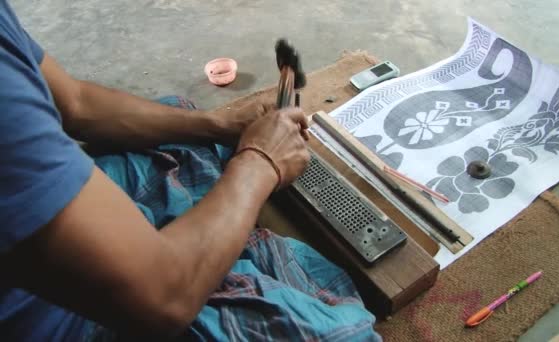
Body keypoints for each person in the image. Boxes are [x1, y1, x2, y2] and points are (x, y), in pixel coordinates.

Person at [0, 1, 380, 340]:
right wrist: (260, 162)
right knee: (339, 333)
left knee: (182, 122)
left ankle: (205, 235)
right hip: (64, 319)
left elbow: (78, 103)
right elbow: (162, 297)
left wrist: (217, 125)